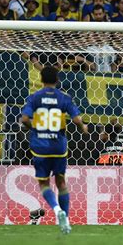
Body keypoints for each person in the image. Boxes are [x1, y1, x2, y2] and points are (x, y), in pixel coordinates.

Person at [21, 66, 88, 235]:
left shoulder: (34, 97)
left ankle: (57, 210)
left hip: (40, 146)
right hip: (59, 145)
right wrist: (83, 128)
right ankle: (66, 220)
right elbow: (76, 119)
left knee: (44, 183)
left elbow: (24, 119)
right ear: (57, 80)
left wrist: (36, 129)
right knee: (61, 182)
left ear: (41, 79)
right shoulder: (64, 98)